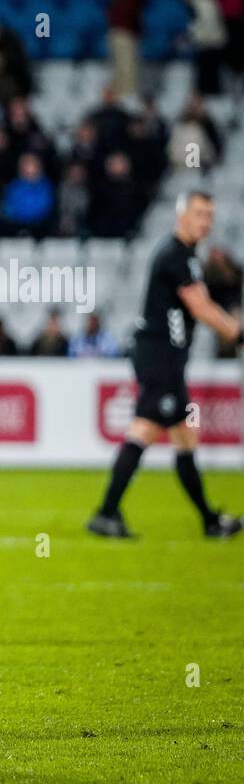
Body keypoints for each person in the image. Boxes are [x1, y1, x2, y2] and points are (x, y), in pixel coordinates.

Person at [88, 191, 243, 539]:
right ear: (181, 215)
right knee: (145, 429)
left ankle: (208, 520)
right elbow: (200, 308)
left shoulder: (183, 256)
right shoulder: (176, 256)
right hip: (159, 358)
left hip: (166, 359)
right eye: (200, 213)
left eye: (210, 216)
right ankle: (106, 512)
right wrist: (238, 333)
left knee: (186, 436)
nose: (206, 222)